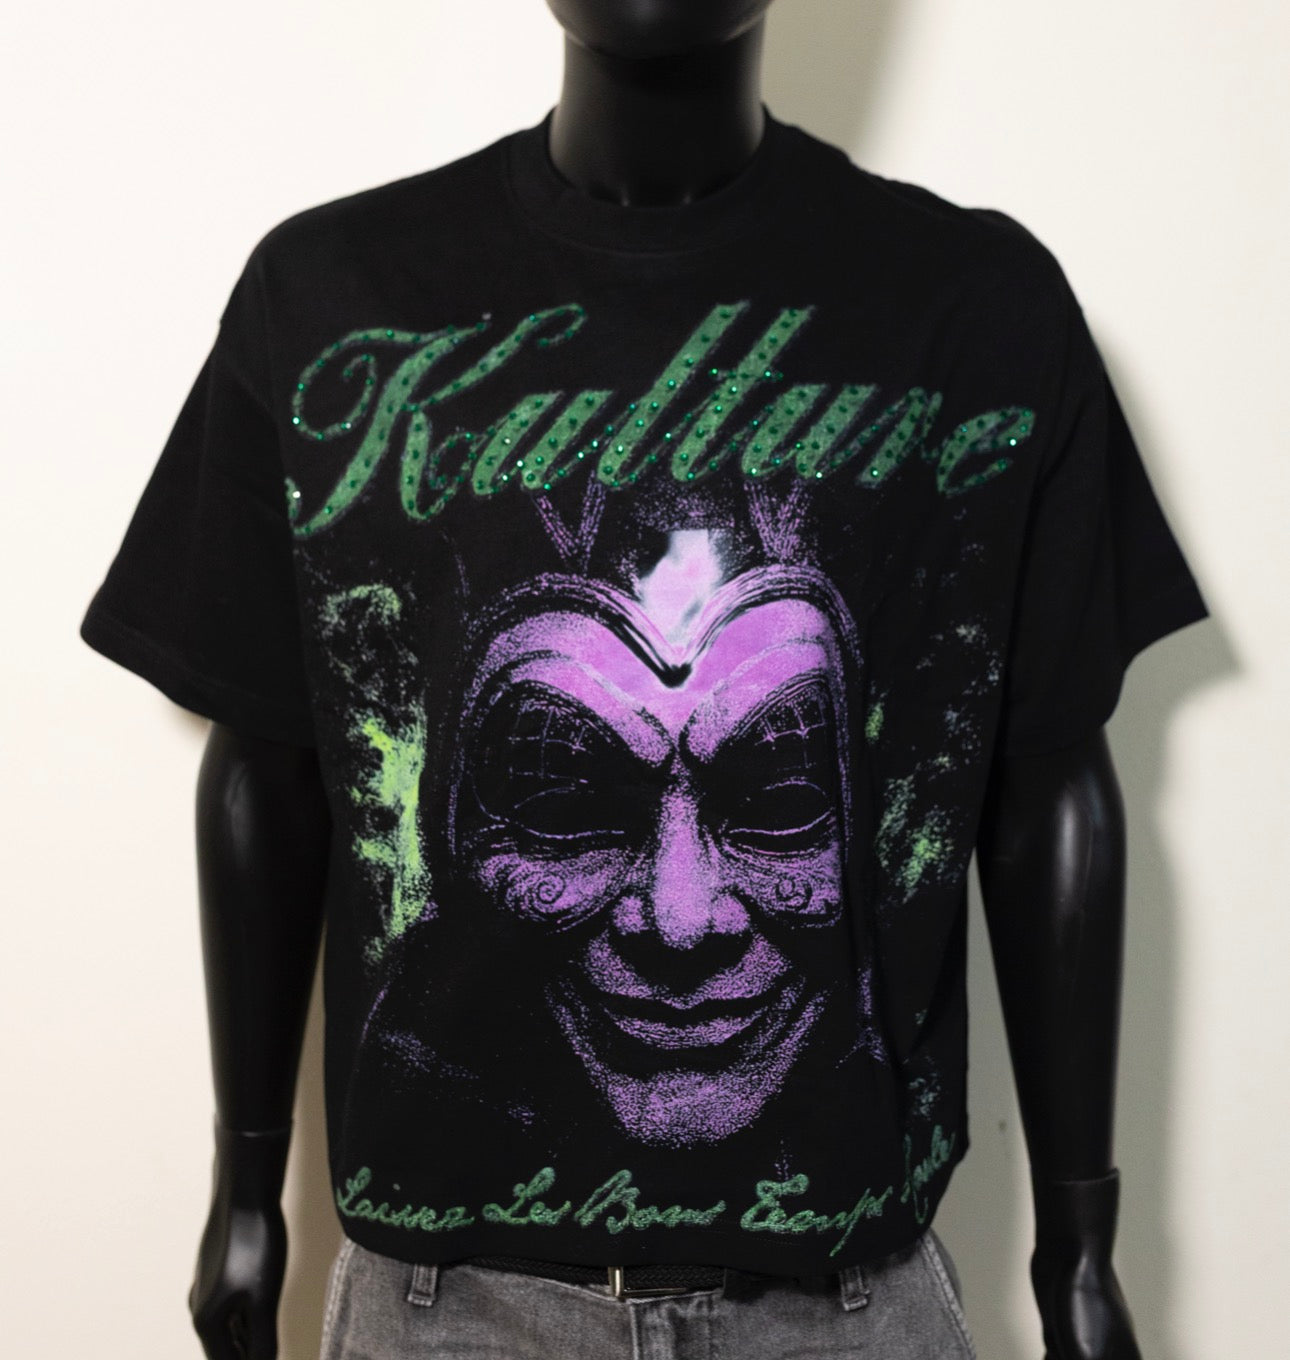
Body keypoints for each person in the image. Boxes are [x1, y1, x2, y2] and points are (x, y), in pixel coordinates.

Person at [79, 2, 1209, 1357]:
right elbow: (266, 766)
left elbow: (1048, 781)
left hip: (844, 1307)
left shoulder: (977, 309)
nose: (682, 920)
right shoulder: (331, 303)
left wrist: (1080, 1241)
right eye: (560, 787)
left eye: (781, 787)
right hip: (452, 1306)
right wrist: (243, 1192)